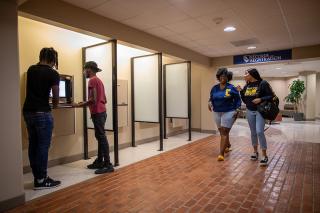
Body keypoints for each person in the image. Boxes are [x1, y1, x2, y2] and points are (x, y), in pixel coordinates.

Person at [23, 47, 61, 190]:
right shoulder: (53, 73)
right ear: (53, 59)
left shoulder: (31, 69)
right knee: (43, 146)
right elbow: (56, 96)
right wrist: (55, 104)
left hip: (28, 111)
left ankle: (37, 177)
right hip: (42, 113)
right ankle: (41, 180)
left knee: (33, 145)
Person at [73, 61, 114, 174]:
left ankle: (108, 164)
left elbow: (93, 100)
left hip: (98, 113)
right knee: (100, 137)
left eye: (84, 70)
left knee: (101, 137)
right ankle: (100, 161)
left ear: (88, 69)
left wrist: (79, 105)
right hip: (102, 112)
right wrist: (87, 102)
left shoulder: (92, 80)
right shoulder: (99, 81)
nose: (83, 72)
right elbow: (104, 99)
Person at [237, 68, 274, 166]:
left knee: (259, 131)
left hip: (259, 111)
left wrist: (260, 99)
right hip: (249, 111)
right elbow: (245, 101)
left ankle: (264, 155)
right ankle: (255, 152)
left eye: (246, 73)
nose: (244, 75)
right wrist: (241, 91)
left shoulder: (262, 83)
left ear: (252, 74)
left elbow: (270, 96)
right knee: (253, 132)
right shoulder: (247, 85)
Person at [208, 68, 241, 161]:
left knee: (224, 131)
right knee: (222, 131)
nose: (223, 78)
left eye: (225, 76)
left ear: (228, 77)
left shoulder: (232, 88)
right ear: (218, 77)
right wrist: (209, 103)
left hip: (229, 111)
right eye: (221, 76)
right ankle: (228, 145)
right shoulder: (214, 88)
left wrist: (237, 109)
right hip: (216, 111)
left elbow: (238, 100)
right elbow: (211, 98)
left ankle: (221, 154)